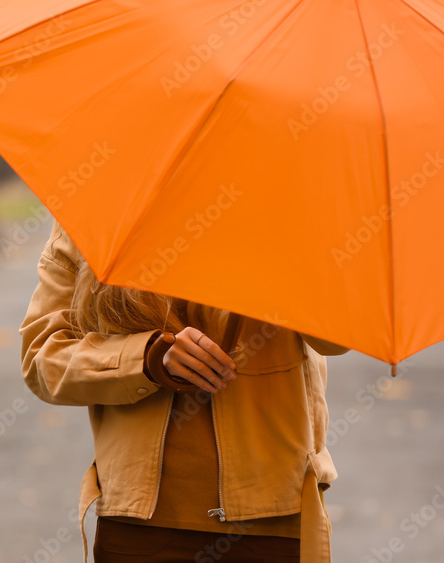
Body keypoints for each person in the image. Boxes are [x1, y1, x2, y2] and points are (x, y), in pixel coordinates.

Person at [20, 220, 349, 563]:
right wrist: (147, 358)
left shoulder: (287, 209)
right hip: (139, 531)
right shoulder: (95, 214)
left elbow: (338, 337)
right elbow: (42, 359)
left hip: (270, 523)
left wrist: (284, 243)